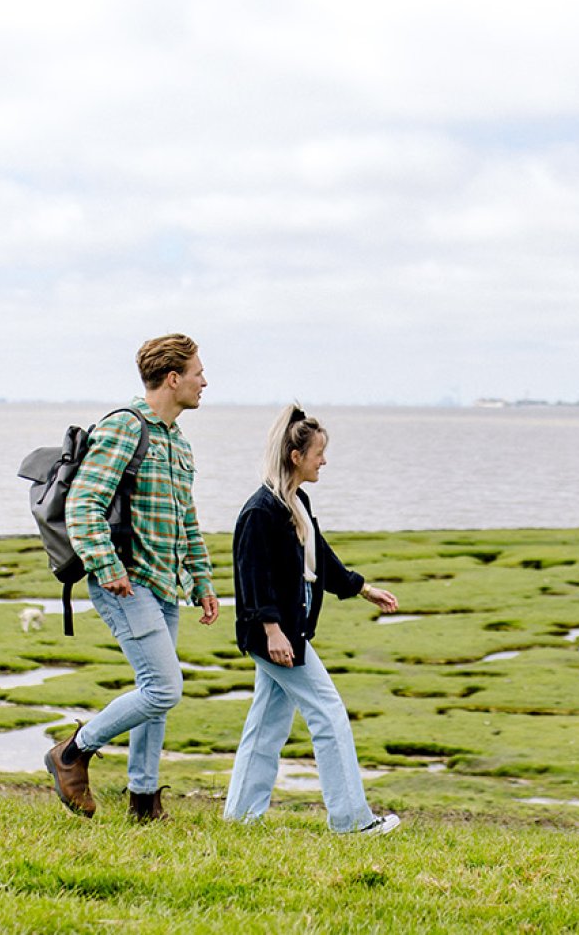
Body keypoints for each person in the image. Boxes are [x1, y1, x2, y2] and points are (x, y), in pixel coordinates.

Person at [44, 333, 221, 822]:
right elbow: (83, 506)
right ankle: (71, 754)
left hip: (164, 585)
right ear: (172, 378)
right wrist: (107, 567)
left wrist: (202, 581)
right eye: (198, 372)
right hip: (125, 581)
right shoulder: (125, 428)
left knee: (154, 695)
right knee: (164, 688)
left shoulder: (177, 440)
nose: (204, 381)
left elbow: (186, 518)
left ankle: (143, 801)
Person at [224, 404, 402, 834]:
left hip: (288, 627)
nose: (324, 460)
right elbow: (252, 580)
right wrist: (273, 633)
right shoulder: (260, 511)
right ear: (295, 456)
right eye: (319, 453)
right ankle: (352, 821)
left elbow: (319, 557)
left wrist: (363, 588)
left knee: (267, 724)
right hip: (275, 632)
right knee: (329, 713)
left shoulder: (295, 502)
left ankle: (240, 818)